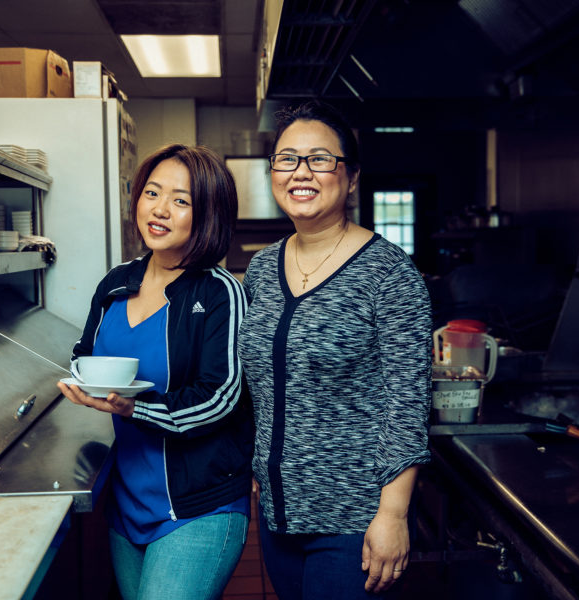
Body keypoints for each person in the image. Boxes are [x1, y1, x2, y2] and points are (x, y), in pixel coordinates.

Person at [237, 101, 433, 600]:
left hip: (354, 519)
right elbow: (264, 383)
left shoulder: (389, 274)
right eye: (286, 159)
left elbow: (406, 405)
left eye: (320, 159)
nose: (300, 172)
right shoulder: (261, 269)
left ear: (350, 178)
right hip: (279, 514)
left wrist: (393, 514)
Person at [57, 144, 253, 600]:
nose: (160, 210)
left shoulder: (221, 293)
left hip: (200, 506)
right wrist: (83, 379)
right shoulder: (115, 282)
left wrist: (133, 408)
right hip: (127, 504)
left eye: (181, 200)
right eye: (152, 193)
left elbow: (221, 396)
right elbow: (85, 352)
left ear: (207, 215)